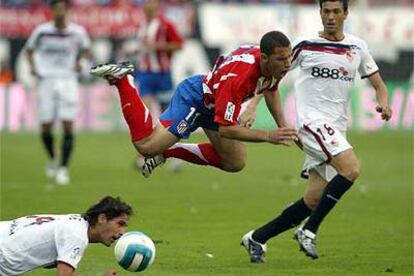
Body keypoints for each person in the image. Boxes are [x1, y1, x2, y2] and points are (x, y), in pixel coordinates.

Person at [240, 0, 392, 263]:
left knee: (313, 199)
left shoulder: (357, 46)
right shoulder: (305, 45)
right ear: (320, 13)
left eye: (336, 12)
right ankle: (309, 231)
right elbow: (273, 76)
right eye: (326, 11)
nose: (330, 17)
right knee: (351, 169)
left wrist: (385, 102)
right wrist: (252, 104)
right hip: (312, 123)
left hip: (337, 127)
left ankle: (257, 238)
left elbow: (378, 84)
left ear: (346, 13)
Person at [90, 31, 298, 177]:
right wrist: (268, 135)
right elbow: (226, 130)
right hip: (195, 99)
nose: (288, 64)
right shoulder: (238, 80)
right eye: (282, 59)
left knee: (235, 162)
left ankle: (168, 151)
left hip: (215, 102)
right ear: (264, 58)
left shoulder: (273, 64)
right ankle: (124, 80)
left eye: (289, 57)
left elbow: (270, 88)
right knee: (147, 146)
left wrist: (283, 126)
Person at [26, 0, 91, 185]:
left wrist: (81, 62)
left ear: (67, 10)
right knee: (45, 126)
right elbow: (29, 50)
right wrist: (32, 66)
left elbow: (87, 50)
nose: (59, 12)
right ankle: (53, 156)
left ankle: (63, 168)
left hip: (68, 80)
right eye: (56, 9)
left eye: (63, 9)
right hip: (46, 80)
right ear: (52, 11)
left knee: (68, 124)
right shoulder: (42, 31)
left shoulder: (77, 31)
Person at [0, 196, 133, 275]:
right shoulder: (77, 235)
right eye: (120, 224)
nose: (122, 232)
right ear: (102, 218)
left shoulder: (76, 223)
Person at [133, 0, 184, 173]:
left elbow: (178, 44)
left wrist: (158, 46)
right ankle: (144, 155)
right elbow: (143, 48)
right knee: (144, 113)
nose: (148, 7)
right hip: (145, 74)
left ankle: (176, 154)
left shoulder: (165, 24)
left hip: (162, 74)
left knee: (167, 115)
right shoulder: (141, 24)